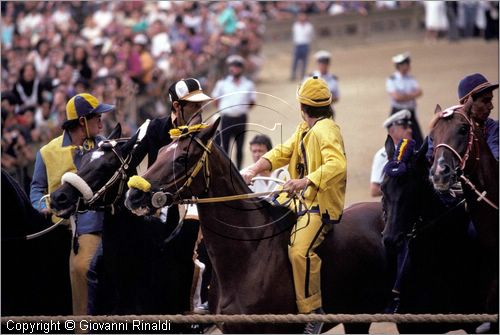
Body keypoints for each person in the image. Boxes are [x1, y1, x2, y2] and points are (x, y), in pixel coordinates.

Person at [241, 76, 347, 334]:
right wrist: (255, 168)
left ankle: (313, 312)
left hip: (318, 206)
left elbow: (337, 165)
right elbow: (283, 151)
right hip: (296, 199)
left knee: (299, 251)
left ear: (303, 105)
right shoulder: (304, 128)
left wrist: (305, 181)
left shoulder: (327, 130)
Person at [30, 93, 114, 323]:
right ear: (82, 122)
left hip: (94, 224)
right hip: (58, 227)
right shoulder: (46, 152)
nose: (102, 121)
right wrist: (45, 208)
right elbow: (37, 189)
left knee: (86, 267)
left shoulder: (106, 147)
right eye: (97, 117)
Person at [427, 73, 499, 161]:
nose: (491, 106)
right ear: (467, 102)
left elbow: (495, 158)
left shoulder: (492, 127)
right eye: (485, 101)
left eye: (490, 100)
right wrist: (433, 131)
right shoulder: (448, 128)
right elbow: (429, 159)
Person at [211, 55, 256, 169]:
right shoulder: (222, 83)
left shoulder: (248, 84)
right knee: (225, 146)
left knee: (240, 147)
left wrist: (241, 109)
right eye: (233, 67)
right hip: (227, 118)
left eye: (238, 67)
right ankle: (226, 169)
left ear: (241, 69)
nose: (235, 69)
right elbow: (215, 100)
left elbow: (252, 101)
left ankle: (239, 170)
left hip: (241, 118)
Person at [370, 110, 413, 197]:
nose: (409, 130)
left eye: (409, 126)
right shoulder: (383, 155)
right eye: (404, 127)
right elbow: (374, 190)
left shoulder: (414, 151)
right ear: (392, 130)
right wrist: (401, 189)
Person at [386, 52, 424, 148]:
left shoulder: (411, 78)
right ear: (399, 66)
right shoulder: (392, 79)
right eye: (406, 64)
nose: (408, 66)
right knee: (398, 141)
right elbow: (397, 97)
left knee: (418, 140)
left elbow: (419, 92)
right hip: (398, 113)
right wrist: (411, 95)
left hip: (411, 113)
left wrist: (404, 96)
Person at [290, 12, 314, 81]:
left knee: (304, 61)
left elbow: (311, 36)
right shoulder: (296, 25)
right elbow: (294, 36)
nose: (302, 18)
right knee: (295, 61)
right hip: (298, 45)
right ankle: (293, 75)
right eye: (301, 16)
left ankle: (302, 75)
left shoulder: (309, 26)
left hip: (305, 45)